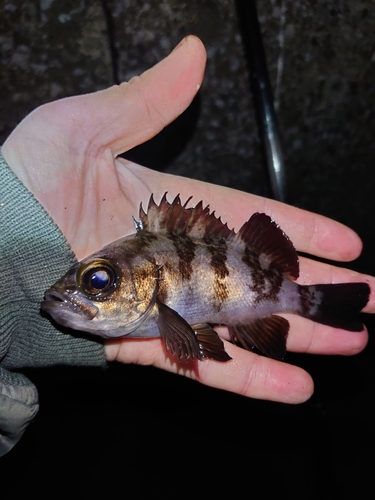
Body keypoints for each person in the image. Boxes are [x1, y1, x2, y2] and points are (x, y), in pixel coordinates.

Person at [1, 35, 374, 456]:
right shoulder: (135, 295)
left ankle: (312, 301)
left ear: (147, 279)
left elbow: (186, 337)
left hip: (255, 278)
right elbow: (187, 339)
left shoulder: (157, 279)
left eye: (97, 279)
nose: (83, 290)